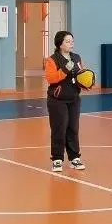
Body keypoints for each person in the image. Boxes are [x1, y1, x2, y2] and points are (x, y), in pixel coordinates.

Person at [44, 30, 85, 172]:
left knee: (73, 128)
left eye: (72, 41)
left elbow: (81, 75)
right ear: (60, 44)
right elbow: (51, 79)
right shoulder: (52, 60)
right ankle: (57, 159)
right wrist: (65, 70)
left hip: (74, 99)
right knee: (59, 129)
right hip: (57, 101)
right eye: (68, 41)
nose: (71, 44)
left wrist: (86, 81)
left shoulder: (77, 57)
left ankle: (74, 158)